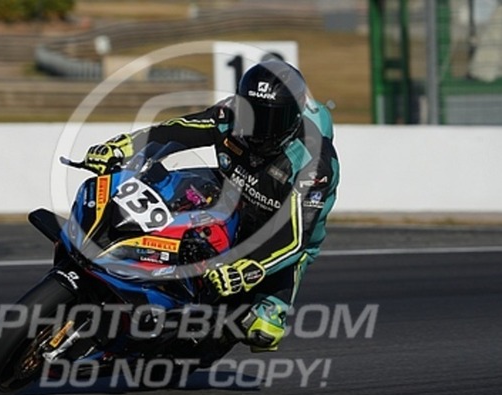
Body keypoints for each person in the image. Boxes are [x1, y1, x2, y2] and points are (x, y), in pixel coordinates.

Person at [83, 59, 339, 352]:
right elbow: (177, 132)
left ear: (293, 119)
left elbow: (293, 236)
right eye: (252, 114)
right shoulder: (230, 115)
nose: (260, 128)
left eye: (273, 120)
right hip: (228, 197)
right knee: (169, 188)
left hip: (280, 233)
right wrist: (124, 146)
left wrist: (248, 268)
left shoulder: (314, 161)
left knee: (263, 331)